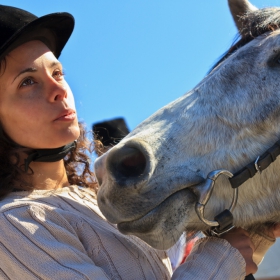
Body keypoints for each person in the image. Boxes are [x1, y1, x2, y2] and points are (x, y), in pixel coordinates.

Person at [0, 4, 275, 279]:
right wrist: (221, 256)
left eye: (57, 73)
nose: (59, 90)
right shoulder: (13, 223)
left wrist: (256, 236)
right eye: (27, 82)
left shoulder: (95, 201)